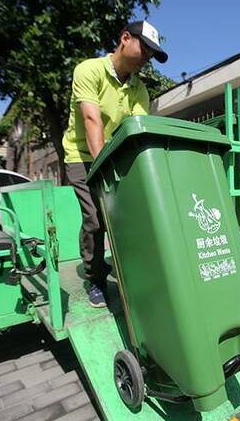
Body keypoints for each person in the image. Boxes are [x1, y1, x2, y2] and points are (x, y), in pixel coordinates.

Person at [62, 20, 168, 307]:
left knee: (125, 216)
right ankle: (94, 277)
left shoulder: (139, 90)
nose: (148, 58)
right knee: (96, 220)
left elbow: (135, 131)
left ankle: (128, 273)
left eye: (152, 55)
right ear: (125, 38)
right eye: (145, 49)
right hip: (83, 156)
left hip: (112, 156)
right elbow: (91, 120)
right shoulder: (89, 70)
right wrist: (101, 172)